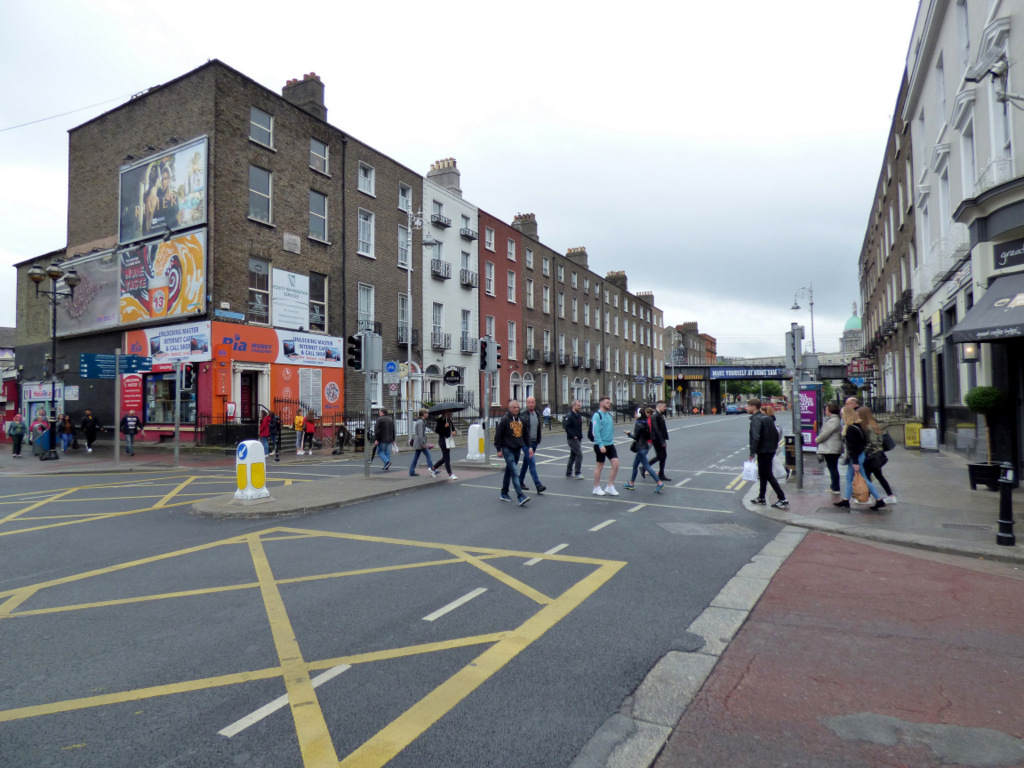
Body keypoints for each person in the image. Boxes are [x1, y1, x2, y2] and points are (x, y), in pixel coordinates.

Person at [833, 405, 885, 511]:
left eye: (842, 414)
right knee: (848, 478)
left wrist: (855, 462)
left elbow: (853, 447)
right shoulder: (858, 426)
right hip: (859, 455)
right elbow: (863, 442)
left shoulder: (851, 429)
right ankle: (846, 499)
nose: (841, 417)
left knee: (864, 479)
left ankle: (879, 500)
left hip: (856, 457)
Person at [747, 398, 788, 509]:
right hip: (769, 450)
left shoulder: (757, 420)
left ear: (754, 407)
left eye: (748, 406)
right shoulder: (768, 418)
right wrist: (773, 448)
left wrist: (752, 453)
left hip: (763, 451)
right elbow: (775, 434)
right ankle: (761, 497)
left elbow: (755, 437)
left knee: (768, 475)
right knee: (763, 474)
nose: (747, 408)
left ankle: (782, 498)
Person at [858, 405, 897, 503]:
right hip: (877, 455)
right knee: (879, 476)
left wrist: (865, 450)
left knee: (867, 477)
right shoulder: (874, 425)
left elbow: (873, 442)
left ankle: (868, 498)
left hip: (871, 455)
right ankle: (891, 496)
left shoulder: (869, 427)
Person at [494, 399, 529, 505]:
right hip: (507, 449)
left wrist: (529, 447)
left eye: (518, 407)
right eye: (514, 407)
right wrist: (499, 449)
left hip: (517, 449)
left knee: (509, 472)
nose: (516, 409)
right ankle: (520, 496)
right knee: (514, 472)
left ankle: (504, 493)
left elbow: (525, 434)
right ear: (509, 408)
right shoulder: (505, 419)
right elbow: (498, 435)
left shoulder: (521, 420)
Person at [623, 407, 665, 492]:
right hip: (644, 447)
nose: (634, 415)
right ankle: (631, 483)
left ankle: (659, 483)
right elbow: (648, 436)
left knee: (646, 466)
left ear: (638, 415)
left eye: (635, 413)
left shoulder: (638, 424)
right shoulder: (646, 423)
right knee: (635, 465)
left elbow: (636, 437)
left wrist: (628, 433)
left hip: (641, 448)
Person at [591, 396, 620, 496]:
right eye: (607, 403)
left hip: (610, 444)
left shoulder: (609, 415)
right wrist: (600, 445)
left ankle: (610, 486)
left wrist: (611, 441)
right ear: (601, 404)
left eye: (609, 402)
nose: (609, 404)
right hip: (600, 445)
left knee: (616, 464)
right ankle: (596, 487)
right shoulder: (597, 415)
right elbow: (596, 431)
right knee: (600, 466)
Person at [517, 396, 546, 494]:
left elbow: (538, 428)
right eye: (529, 402)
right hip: (525, 443)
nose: (531, 404)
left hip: (534, 442)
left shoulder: (537, 414)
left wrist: (538, 440)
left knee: (526, 463)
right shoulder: (522, 415)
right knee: (532, 462)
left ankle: (520, 481)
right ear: (526, 403)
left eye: (532, 402)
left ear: (535, 403)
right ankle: (538, 485)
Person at [815, 403, 843, 494]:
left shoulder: (833, 421)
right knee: (832, 467)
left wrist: (817, 440)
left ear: (830, 411)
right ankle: (834, 487)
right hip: (832, 447)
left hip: (831, 448)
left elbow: (825, 433)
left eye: (826, 410)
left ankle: (835, 488)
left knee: (832, 468)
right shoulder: (835, 419)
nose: (825, 411)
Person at [431, 410, 458, 480]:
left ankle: (433, 468)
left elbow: (453, 428)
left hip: (448, 440)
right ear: (445, 414)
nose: (451, 415)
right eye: (450, 414)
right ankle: (450, 474)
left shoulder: (449, 420)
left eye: (451, 414)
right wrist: (444, 426)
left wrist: (454, 432)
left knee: (444, 458)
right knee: (447, 457)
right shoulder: (440, 420)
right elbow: (437, 430)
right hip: (443, 440)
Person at [409, 409, 436, 477]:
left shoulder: (421, 421)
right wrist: (423, 444)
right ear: (423, 414)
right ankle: (432, 470)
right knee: (428, 455)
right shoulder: (421, 422)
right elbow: (420, 435)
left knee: (416, 457)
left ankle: (411, 471)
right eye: (426, 413)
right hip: (420, 443)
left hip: (418, 443)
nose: (428, 414)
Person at [563, 399, 584, 479]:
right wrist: (573, 435)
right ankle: (577, 473)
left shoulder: (578, 415)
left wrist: (580, 436)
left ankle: (568, 472)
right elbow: (566, 427)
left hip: (578, 438)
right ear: (573, 406)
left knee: (573, 455)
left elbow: (579, 427)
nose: (579, 407)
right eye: (578, 406)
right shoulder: (569, 416)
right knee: (579, 454)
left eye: (580, 406)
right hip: (572, 439)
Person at [651, 399, 670, 481]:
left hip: (661, 438)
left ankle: (661, 474)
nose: (665, 408)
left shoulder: (660, 415)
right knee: (660, 456)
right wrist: (662, 441)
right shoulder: (654, 415)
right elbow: (656, 429)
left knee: (664, 456)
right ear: (659, 406)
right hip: (657, 439)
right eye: (664, 406)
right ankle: (645, 467)